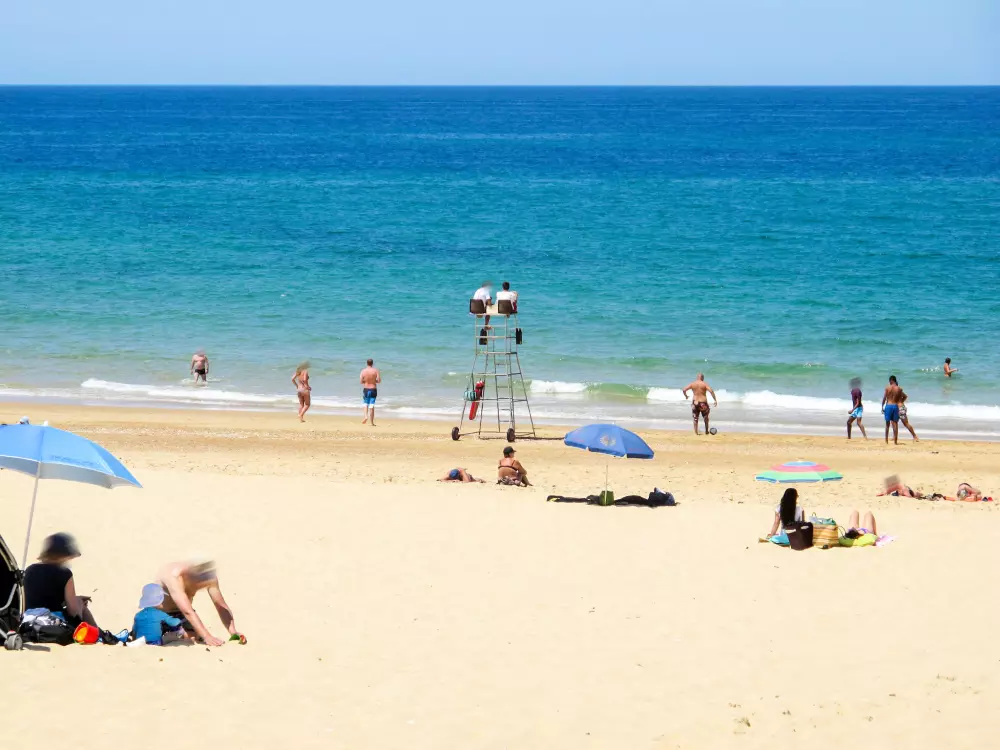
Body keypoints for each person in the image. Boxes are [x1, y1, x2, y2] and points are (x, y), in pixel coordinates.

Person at [155, 560, 242, 647]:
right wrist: (207, 637)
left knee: (194, 636)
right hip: (159, 614)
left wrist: (233, 631)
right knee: (191, 637)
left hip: (180, 614)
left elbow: (220, 605)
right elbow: (187, 611)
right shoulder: (174, 577)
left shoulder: (207, 576)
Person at [23, 532, 98, 629]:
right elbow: (73, 611)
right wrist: (77, 601)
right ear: (62, 555)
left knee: (77, 600)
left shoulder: (29, 570)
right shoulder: (65, 573)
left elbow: (39, 598)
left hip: (30, 622)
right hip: (54, 623)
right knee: (79, 603)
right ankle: (99, 635)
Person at [881, 375, 902, 445]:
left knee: (887, 424)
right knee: (895, 424)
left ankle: (886, 441)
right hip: (895, 406)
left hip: (888, 406)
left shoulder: (887, 388)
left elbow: (884, 398)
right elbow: (899, 400)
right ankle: (895, 441)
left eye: (889, 381)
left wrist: (882, 407)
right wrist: (899, 409)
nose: (889, 382)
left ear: (891, 380)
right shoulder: (899, 389)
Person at [360, 358, 381, 426]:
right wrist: (374, 381)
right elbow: (379, 381)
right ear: (372, 363)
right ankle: (372, 423)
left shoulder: (363, 371)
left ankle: (366, 416)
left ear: (367, 363)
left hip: (366, 389)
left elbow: (361, 381)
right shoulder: (375, 371)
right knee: (371, 406)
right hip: (373, 389)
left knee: (365, 404)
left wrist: (366, 381)